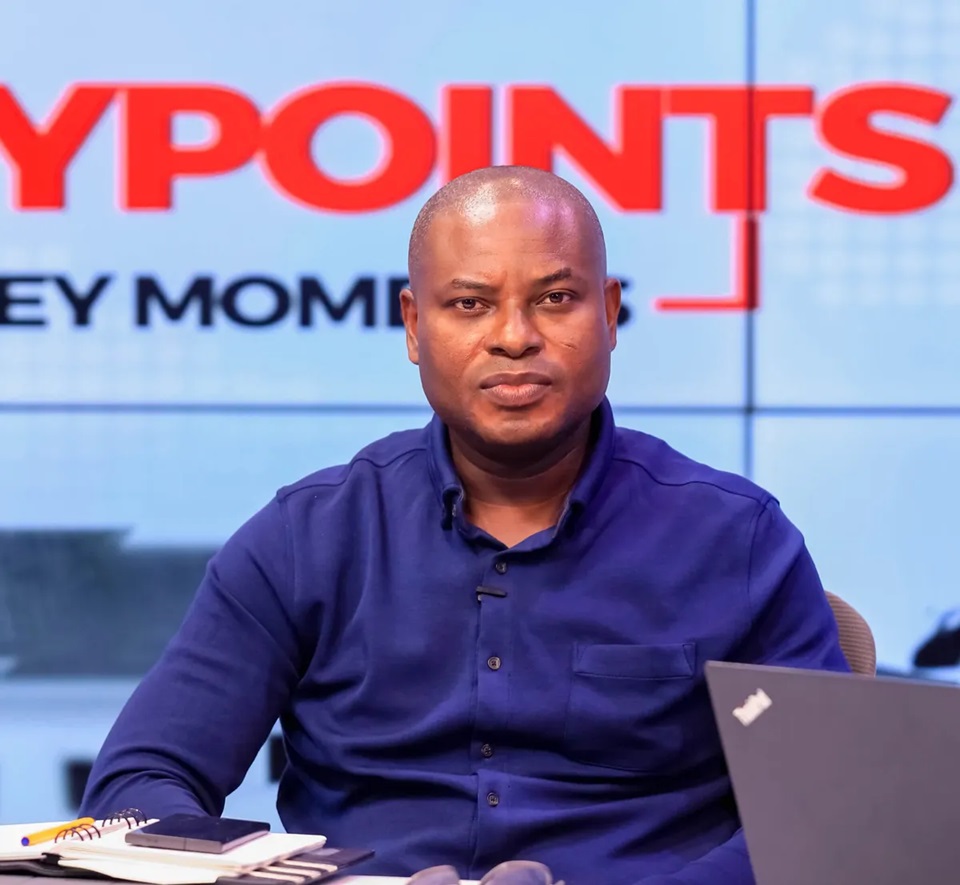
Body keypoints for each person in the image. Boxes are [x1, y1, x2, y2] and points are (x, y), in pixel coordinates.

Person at [81, 166, 848, 884]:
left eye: (555, 298)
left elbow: (822, 807)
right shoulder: (306, 537)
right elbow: (138, 786)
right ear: (415, 325)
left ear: (610, 312)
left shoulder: (737, 539)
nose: (515, 336)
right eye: (471, 304)